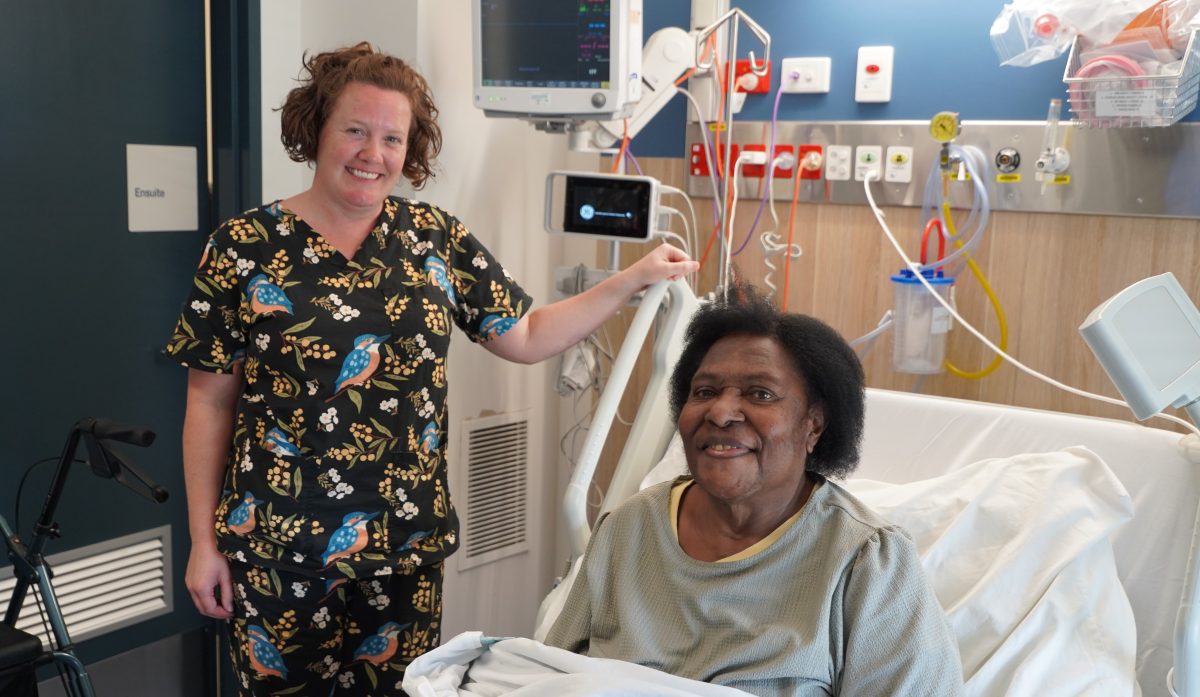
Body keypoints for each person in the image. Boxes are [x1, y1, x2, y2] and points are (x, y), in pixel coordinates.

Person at [164, 41, 696, 696]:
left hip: (405, 546)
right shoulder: (243, 248)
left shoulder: (433, 238)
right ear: (317, 131)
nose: (373, 153)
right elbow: (209, 404)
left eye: (393, 137)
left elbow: (524, 332)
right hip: (278, 548)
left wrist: (629, 280)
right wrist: (202, 541)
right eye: (355, 130)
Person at [543, 285, 964, 696]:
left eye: (760, 394)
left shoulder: (866, 562)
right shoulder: (627, 529)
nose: (721, 412)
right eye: (705, 392)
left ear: (813, 425)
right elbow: (549, 677)